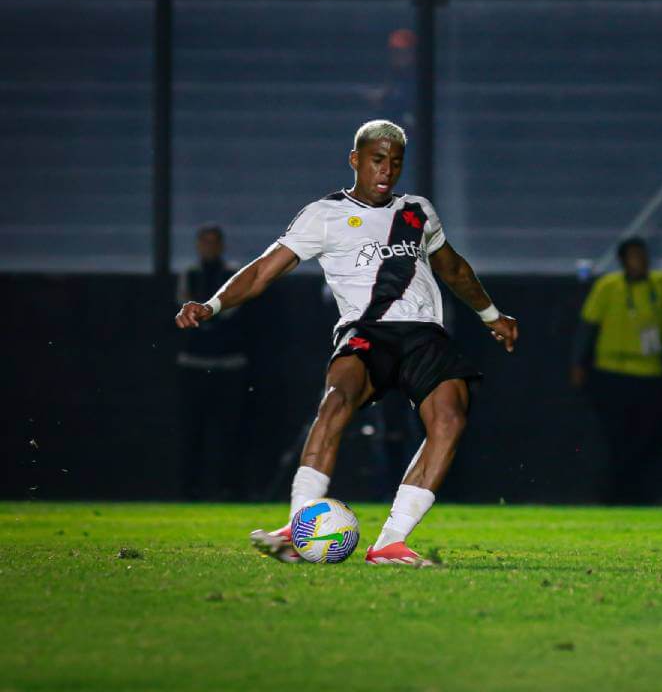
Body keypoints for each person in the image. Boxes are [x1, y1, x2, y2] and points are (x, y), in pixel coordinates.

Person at [175, 119, 518, 566]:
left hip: (422, 334)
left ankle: (391, 542)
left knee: (451, 417)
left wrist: (492, 316)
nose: (386, 171)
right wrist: (214, 304)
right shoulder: (325, 214)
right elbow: (263, 270)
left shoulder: (418, 211)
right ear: (355, 160)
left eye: (395, 163)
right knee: (337, 400)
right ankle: (299, 527)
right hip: (366, 331)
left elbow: (453, 270)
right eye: (377, 160)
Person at [570, 237, 662, 502]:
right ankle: (612, 494)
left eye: (643, 256)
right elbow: (588, 325)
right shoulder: (608, 287)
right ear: (623, 261)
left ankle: (638, 492)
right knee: (612, 437)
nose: (640, 261)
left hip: (649, 373)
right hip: (612, 371)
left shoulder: (661, 284)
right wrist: (579, 363)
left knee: (646, 437)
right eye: (634, 256)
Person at [175, 223, 250, 500]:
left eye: (213, 242)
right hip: (194, 363)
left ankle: (230, 489)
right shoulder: (189, 274)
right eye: (204, 242)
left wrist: (210, 314)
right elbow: (184, 309)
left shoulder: (232, 274)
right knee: (192, 430)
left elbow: (233, 308)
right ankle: (189, 489)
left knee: (231, 431)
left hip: (229, 364)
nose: (209, 247)